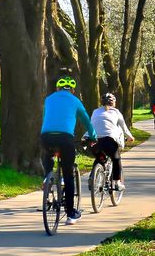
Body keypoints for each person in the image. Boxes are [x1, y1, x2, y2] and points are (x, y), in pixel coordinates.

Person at [40, 76, 96, 225]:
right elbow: (86, 121)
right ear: (72, 90)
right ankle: (71, 214)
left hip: (46, 137)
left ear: (57, 88)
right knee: (68, 174)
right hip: (65, 139)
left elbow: (46, 118)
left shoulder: (49, 99)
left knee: (48, 153)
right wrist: (93, 136)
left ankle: (47, 176)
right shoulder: (75, 100)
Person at [91, 93, 135, 190]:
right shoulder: (116, 112)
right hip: (109, 140)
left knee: (99, 157)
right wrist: (130, 137)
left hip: (94, 141)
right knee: (116, 158)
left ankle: (92, 178)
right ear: (113, 102)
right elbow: (124, 128)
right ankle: (117, 182)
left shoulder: (95, 111)